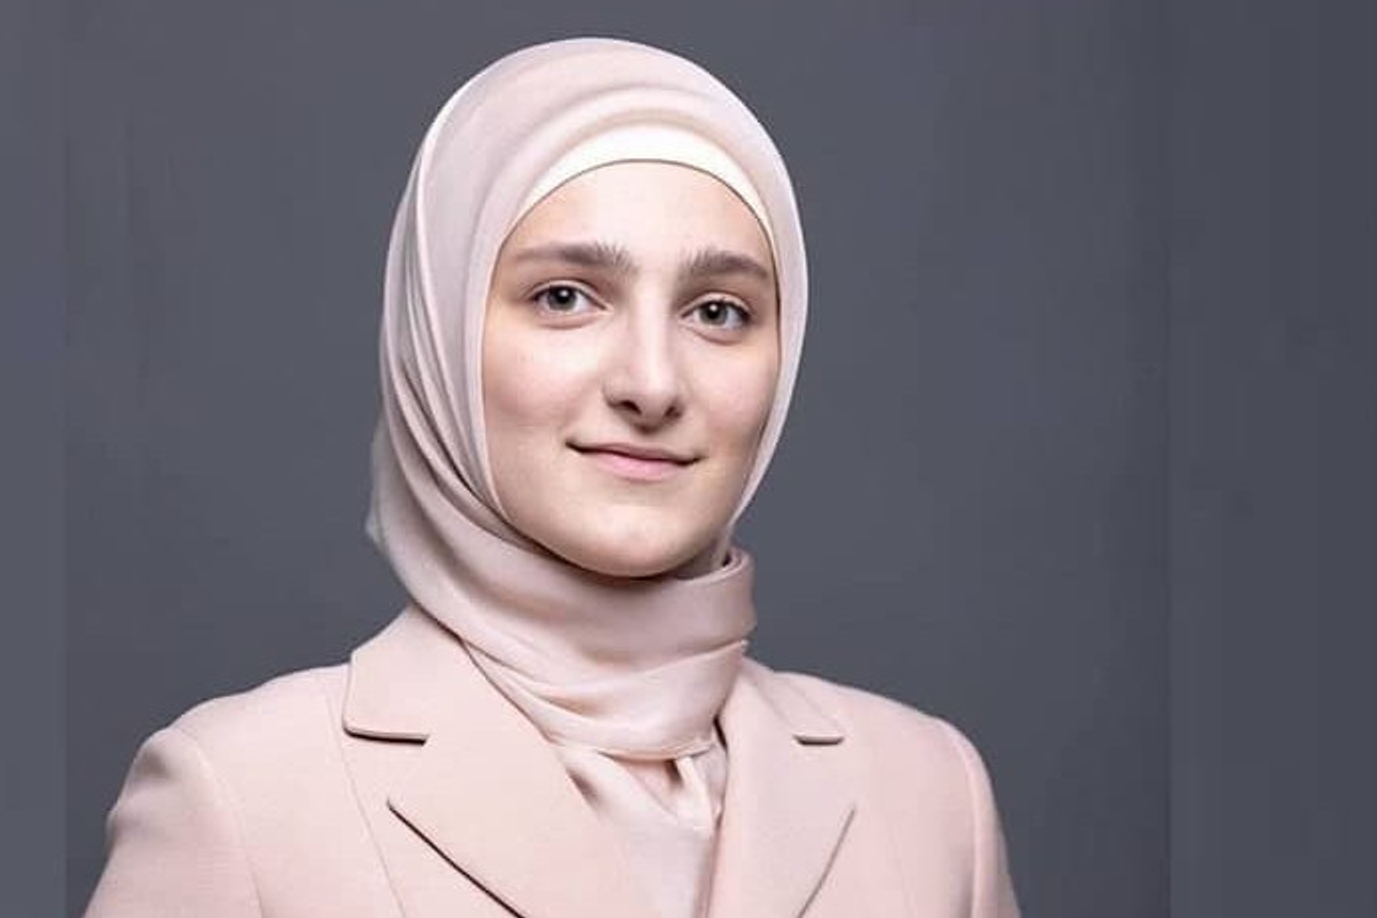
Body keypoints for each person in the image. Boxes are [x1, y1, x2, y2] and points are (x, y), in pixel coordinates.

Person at [83, 36, 1021, 918]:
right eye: (565, 297)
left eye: (718, 311)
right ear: (440, 337)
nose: (652, 383)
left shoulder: (931, 794)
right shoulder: (241, 798)